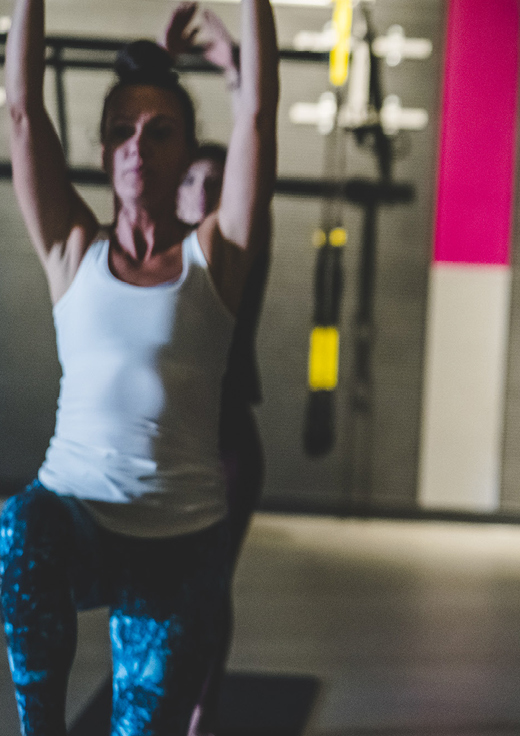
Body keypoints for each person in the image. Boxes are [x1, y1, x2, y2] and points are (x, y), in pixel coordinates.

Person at [0, 0, 279, 732]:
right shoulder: (72, 252)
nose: (136, 147)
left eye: (158, 133)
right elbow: (24, 110)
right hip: (77, 516)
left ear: (189, 152)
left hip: (178, 543)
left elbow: (256, 120)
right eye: (121, 132)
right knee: (19, 523)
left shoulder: (216, 258)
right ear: (102, 152)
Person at [160, 4, 274, 734]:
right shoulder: (148, 257)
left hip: (229, 446)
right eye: (192, 180)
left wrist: (236, 68)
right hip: (169, 448)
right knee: (167, 590)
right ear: (175, 192)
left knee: (208, 586)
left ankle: (203, 712)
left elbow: (256, 130)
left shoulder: (236, 252)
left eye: (216, 180)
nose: (205, 190)